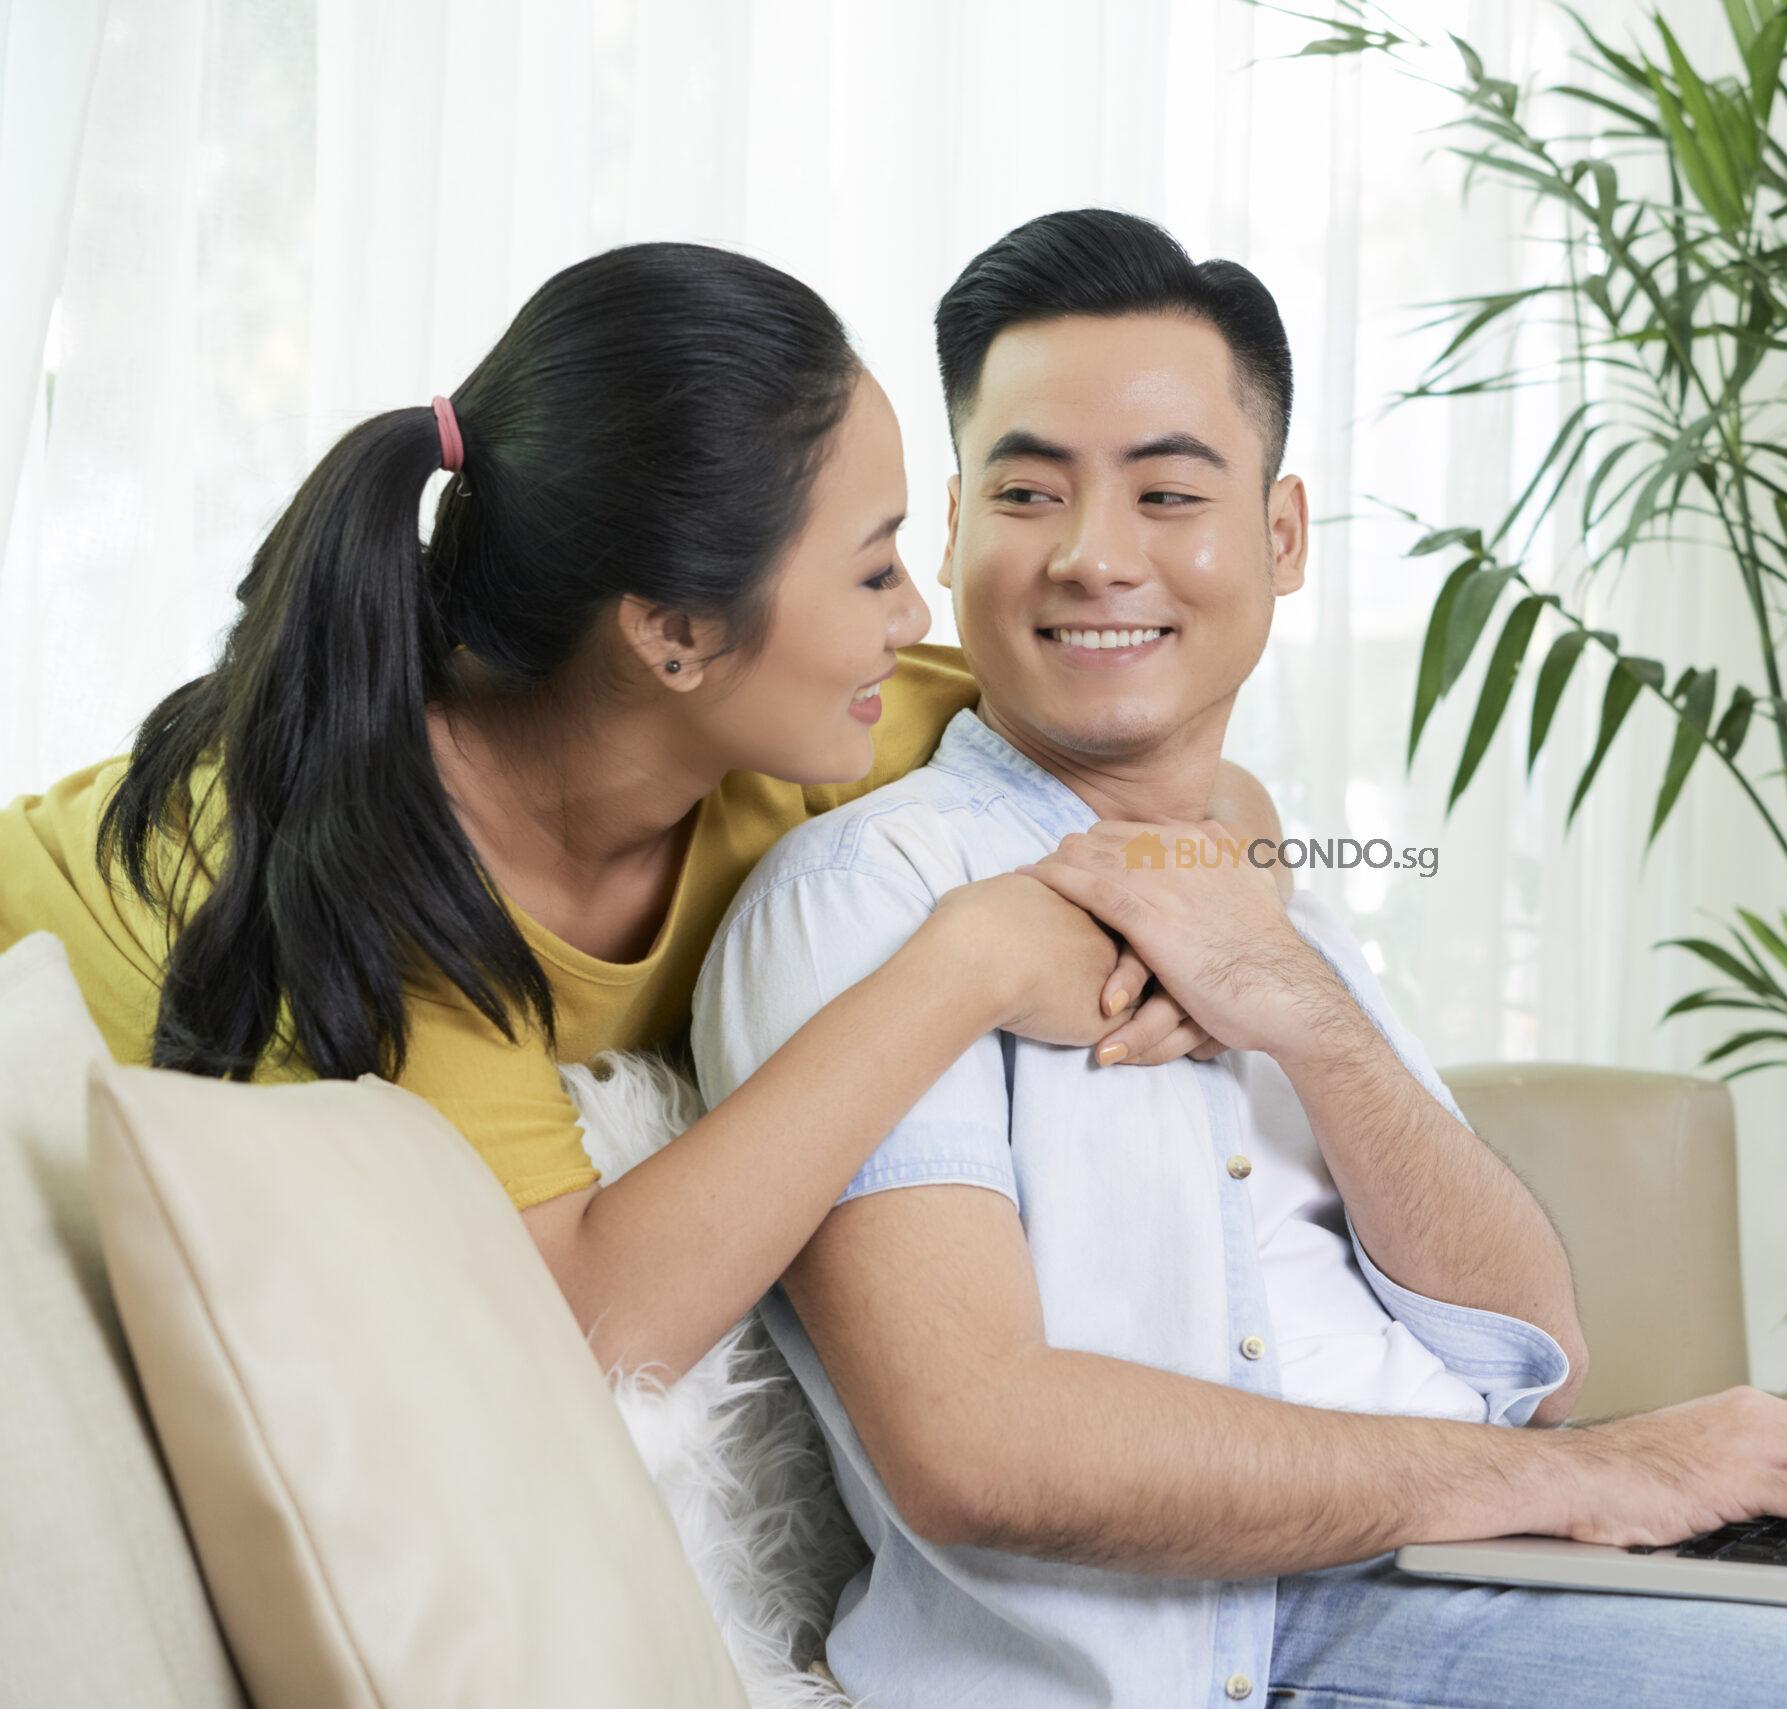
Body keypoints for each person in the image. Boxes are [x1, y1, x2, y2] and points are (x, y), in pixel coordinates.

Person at [690, 209, 1787, 1709]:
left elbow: (1534, 1341)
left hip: (1497, 1537)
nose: (1096, 557)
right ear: (950, 531)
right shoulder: (883, 896)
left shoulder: (1257, 875)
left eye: (1169, 492)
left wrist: (1306, 1009)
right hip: (1261, 1640)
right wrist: (1583, 1480)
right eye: (1027, 493)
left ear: (1280, 535)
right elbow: (976, 1447)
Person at [0, 239, 1286, 1382]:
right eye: (873, 566)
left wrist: (1232, 891)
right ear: (674, 632)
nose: (914, 614)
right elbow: (584, 1327)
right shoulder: (391, 868)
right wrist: (967, 965)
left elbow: (1172, 771)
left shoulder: (807, 723)